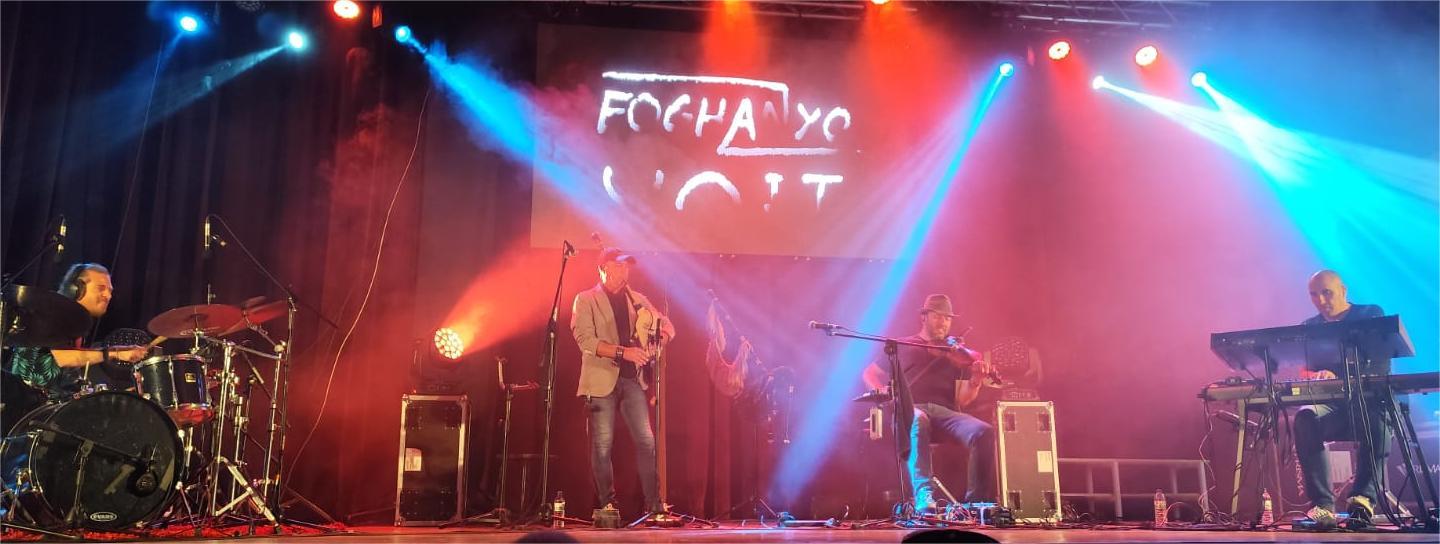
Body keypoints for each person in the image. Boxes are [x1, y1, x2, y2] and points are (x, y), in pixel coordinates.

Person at [862, 294, 997, 513]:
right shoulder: (903, 345)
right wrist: (883, 392)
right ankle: (923, 494)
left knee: (984, 432)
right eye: (938, 316)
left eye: (948, 318)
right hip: (910, 410)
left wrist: (976, 380)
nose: (943, 322)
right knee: (919, 419)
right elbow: (869, 373)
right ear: (924, 317)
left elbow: (962, 400)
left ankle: (976, 503)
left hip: (944, 413)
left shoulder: (953, 352)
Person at [570, 248, 675, 516]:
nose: (624, 271)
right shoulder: (586, 299)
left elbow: (667, 326)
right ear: (602, 269)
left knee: (646, 441)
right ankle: (608, 504)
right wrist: (624, 352)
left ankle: (655, 504)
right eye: (618, 266)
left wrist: (658, 341)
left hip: (631, 380)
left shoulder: (637, 299)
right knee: (602, 445)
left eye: (627, 266)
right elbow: (586, 340)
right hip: (600, 380)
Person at [1293, 269, 1391, 529]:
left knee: (1378, 418)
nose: (1321, 300)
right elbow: (1304, 369)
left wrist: (1338, 374)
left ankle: (1362, 501)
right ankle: (1322, 507)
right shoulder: (1309, 327)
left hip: (1367, 404)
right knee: (1305, 417)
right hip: (1333, 408)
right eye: (1314, 294)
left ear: (1343, 290)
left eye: (1327, 293)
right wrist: (1315, 375)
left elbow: (1378, 360)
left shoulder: (1369, 314)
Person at [8, 263, 149, 401]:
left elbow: (72, 357)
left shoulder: (76, 324)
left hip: (52, 403)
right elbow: (61, 358)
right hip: (24, 402)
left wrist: (118, 350)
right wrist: (114, 353)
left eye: (110, 290)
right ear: (76, 288)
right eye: (101, 288)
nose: (108, 295)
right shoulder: (52, 314)